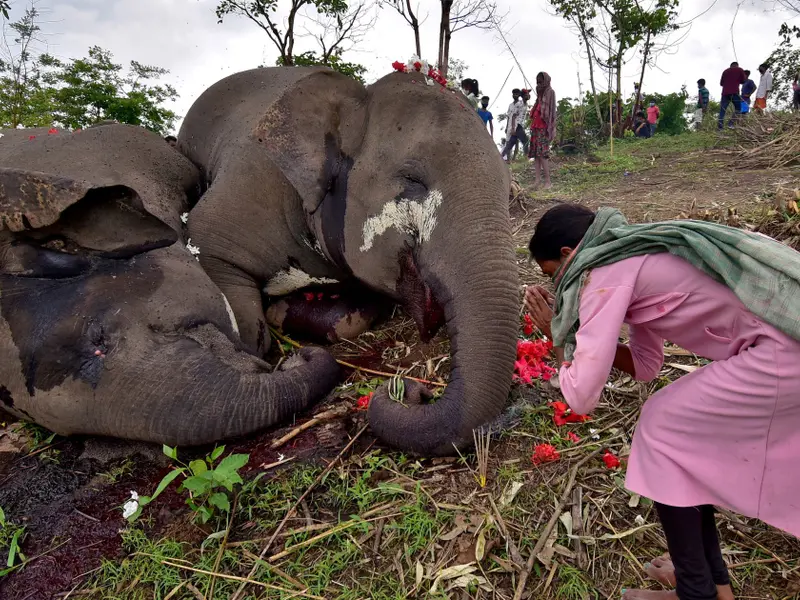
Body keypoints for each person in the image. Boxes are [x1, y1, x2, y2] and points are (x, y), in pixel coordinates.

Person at [524, 203, 800, 600]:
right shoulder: (634, 252)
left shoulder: (602, 273)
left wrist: (558, 334)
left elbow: (582, 396)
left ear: (569, 254)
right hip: (780, 345)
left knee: (661, 424)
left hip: (781, 354)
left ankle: (695, 592)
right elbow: (646, 364)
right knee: (683, 449)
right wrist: (585, 334)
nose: (558, 287)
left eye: (554, 275)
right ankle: (713, 585)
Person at [528, 73, 556, 188]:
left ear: (546, 81)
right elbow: (536, 108)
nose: (539, 84)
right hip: (535, 127)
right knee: (536, 154)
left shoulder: (550, 92)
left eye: (541, 82)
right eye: (537, 82)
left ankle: (548, 181)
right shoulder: (539, 95)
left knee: (543, 154)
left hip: (543, 128)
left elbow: (551, 111)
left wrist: (551, 127)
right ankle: (537, 180)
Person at [501, 88, 528, 163]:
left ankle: (508, 158)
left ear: (519, 95)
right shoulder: (511, 105)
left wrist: (514, 127)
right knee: (509, 142)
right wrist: (507, 127)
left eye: (516, 93)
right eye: (514, 94)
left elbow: (517, 116)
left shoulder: (521, 103)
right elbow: (510, 116)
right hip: (511, 125)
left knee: (514, 142)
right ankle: (507, 159)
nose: (515, 95)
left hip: (517, 125)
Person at [718, 61, 745, 130]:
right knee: (738, 108)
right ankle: (730, 124)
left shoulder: (725, 71)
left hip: (725, 93)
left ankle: (720, 128)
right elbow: (744, 81)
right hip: (734, 92)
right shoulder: (740, 70)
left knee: (722, 110)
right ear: (737, 65)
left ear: (730, 66)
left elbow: (721, 83)